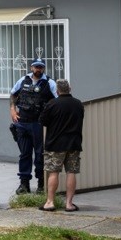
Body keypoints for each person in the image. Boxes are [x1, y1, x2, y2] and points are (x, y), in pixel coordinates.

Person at [10, 58, 57, 194]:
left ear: (43, 68)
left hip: (38, 124)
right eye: (36, 67)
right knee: (24, 154)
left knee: (39, 155)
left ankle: (41, 184)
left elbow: (57, 100)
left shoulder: (49, 83)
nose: (38, 69)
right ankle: (24, 184)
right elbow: (13, 94)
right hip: (23, 123)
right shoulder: (23, 80)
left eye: (41, 67)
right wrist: (12, 110)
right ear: (31, 67)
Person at [38, 79, 85, 212]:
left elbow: (42, 121)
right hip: (74, 143)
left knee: (54, 172)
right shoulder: (78, 104)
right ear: (70, 88)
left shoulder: (52, 104)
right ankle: (69, 204)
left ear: (57, 91)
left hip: (55, 144)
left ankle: (50, 202)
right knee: (71, 172)